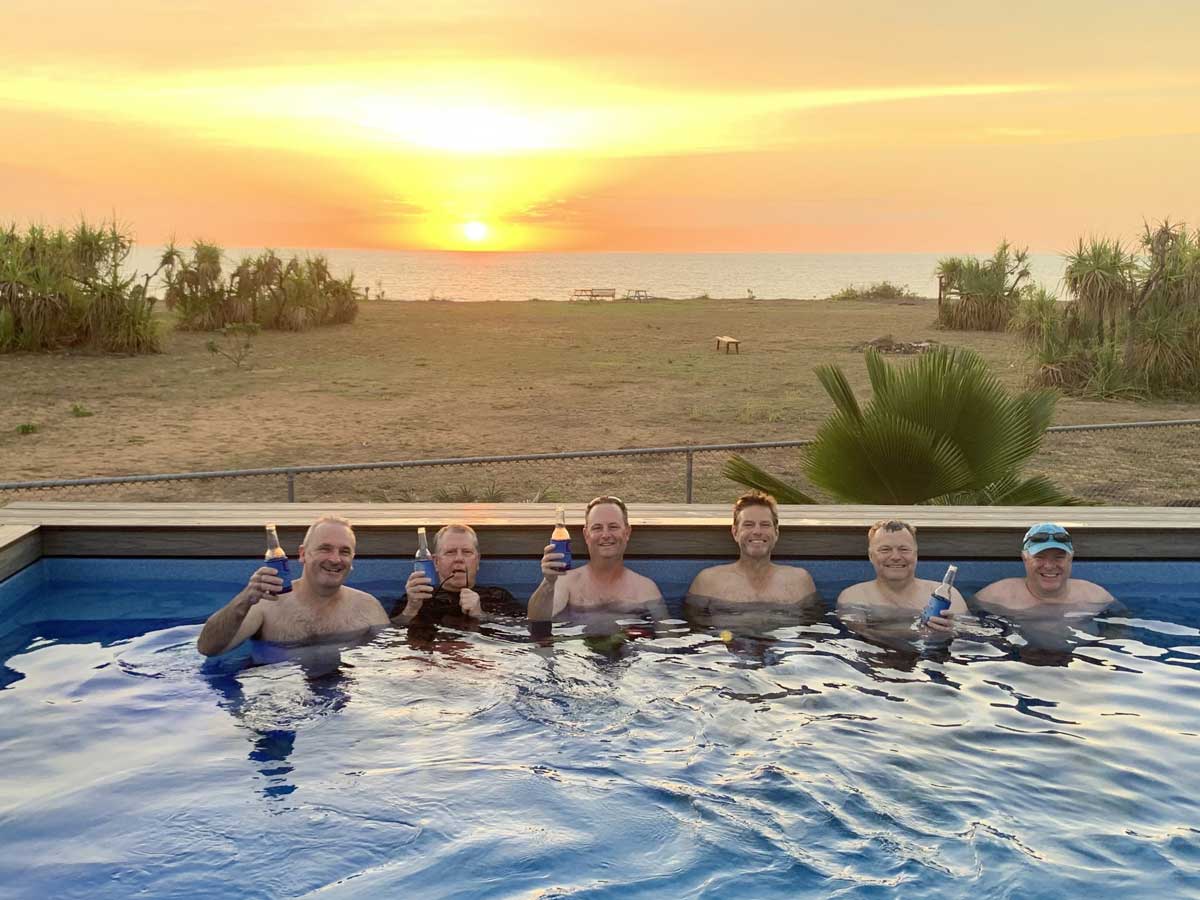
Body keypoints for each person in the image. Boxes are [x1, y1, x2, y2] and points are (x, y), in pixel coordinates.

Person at [197, 515, 389, 657]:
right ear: (303, 554)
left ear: (352, 560)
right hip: (277, 695)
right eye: (325, 549)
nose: (335, 559)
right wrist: (244, 600)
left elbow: (390, 657)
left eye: (344, 552)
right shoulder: (267, 605)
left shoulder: (367, 606)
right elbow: (207, 648)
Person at [529, 496, 665, 621]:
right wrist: (548, 583)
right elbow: (537, 622)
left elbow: (667, 637)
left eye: (613, 527)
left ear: (627, 532)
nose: (605, 535)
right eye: (597, 528)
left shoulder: (645, 588)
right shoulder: (565, 582)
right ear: (586, 535)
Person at [685, 490, 818, 608]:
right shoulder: (708, 582)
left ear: (776, 532)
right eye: (748, 525)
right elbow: (695, 631)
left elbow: (812, 630)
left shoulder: (800, 581)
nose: (757, 531)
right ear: (735, 532)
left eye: (765, 525)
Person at [836, 519, 966, 635]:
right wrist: (917, 632)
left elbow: (969, 635)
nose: (896, 557)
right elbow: (861, 635)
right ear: (871, 556)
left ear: (915, 555)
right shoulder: (854, 596)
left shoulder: (948, 596)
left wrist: (952, 630)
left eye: (904, 549)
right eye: (885, 550)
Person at [392, 523, 522, 626]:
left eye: (466, 552)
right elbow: (390, 632)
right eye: (450, 552)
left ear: (477, 561)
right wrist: (411, 609)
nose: (459, 559)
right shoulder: (418, 597)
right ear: (436, 562)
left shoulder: (497, 596)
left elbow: (523, 628)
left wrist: (481, 615)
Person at [975, 522, 1116, 613]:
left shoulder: (1096, 597)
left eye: (1059, 557)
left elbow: (1119, 633)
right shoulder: (995, 597)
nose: (1049, 566)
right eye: (1039, 557)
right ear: (1025, 558)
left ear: (1070, 558)